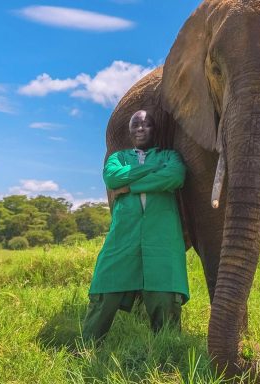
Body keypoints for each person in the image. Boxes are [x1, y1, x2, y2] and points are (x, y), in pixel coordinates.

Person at [81, 110, 189, 343]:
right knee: (106, 286)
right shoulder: (117, 158)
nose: (140, 129)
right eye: (135, 125)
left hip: (162, 237)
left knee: (165, 293)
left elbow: (175, 176)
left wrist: (129, 187)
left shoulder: (170, 157)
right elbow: (112, 179)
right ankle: (87, 347)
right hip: (123, 235)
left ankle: (166, 354)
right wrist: (152, 169)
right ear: (129, 132)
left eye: (146, 125)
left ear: (155, 130)